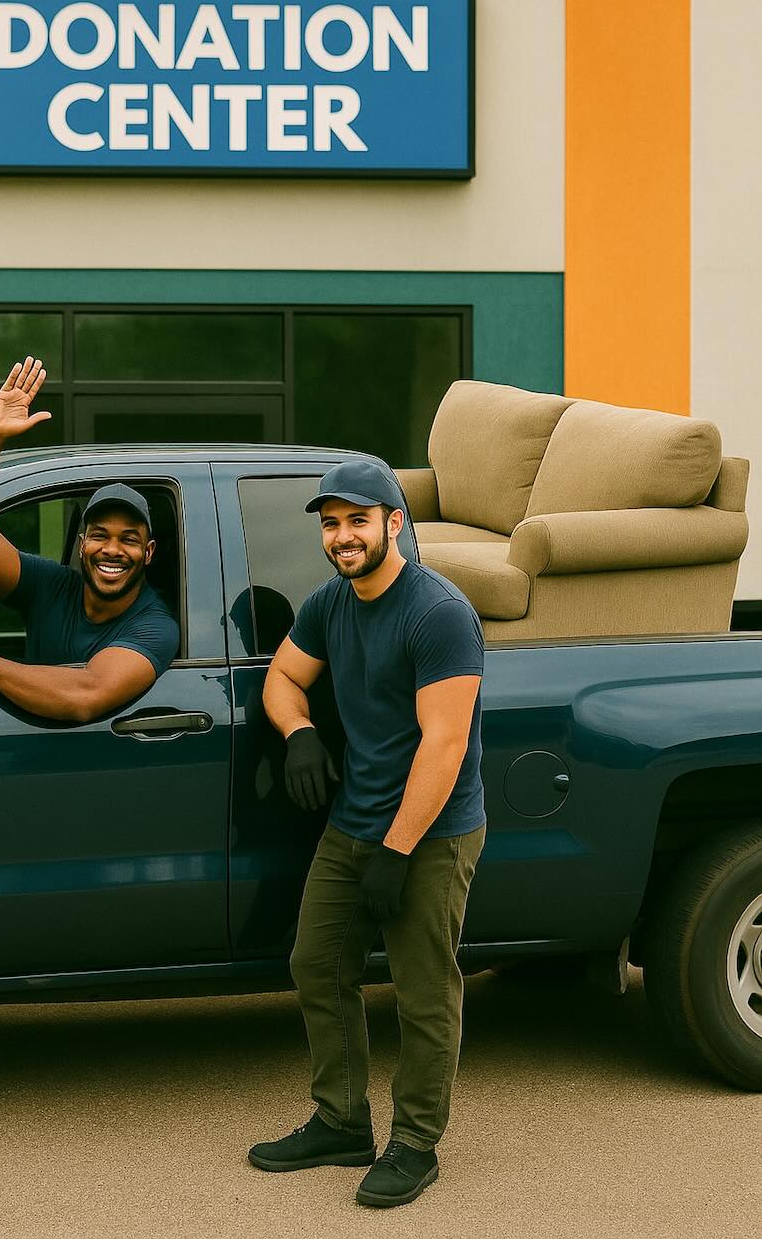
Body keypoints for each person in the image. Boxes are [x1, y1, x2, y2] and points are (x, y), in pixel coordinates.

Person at [248, 459, 486, 1209]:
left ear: (395, 522)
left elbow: (444, 746)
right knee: (317, 963)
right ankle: (342, 1119)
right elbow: (281, 679)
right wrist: (300, 733)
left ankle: (415, 1143)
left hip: (432, 831)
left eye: (358, 519)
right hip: (355, 823)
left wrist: (397, 850)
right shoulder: (331, 603)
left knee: (422, 993)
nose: (343, 536)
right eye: (330, 523)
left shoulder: (438, 613)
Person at [0, 356, 179, 721]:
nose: (112, 550)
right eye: (99, 536)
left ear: (148, 552)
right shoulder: (49, 587)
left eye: (129, 539)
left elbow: (85, 695)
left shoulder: (155, 625)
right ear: (82, 544)